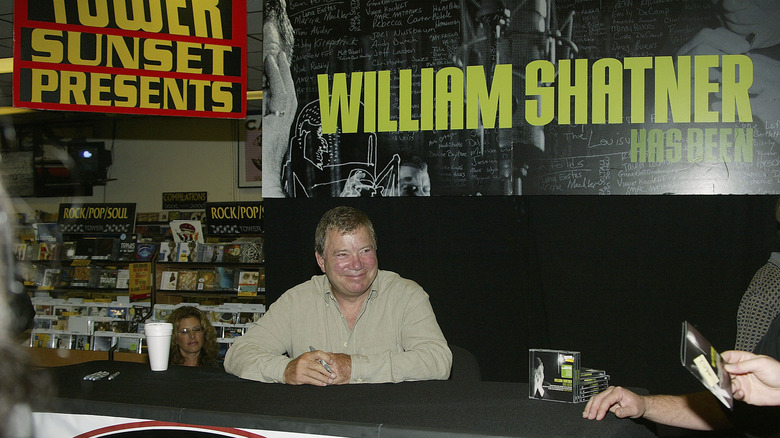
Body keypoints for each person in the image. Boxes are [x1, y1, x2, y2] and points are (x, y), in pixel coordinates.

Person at [224, 206, 452, 385]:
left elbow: (438, 361)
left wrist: (354, 368)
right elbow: (238, 354)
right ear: (321, 261)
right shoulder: (296, 301)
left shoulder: (407, 296)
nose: (357, 264)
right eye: (343, 254)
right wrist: (285, 370)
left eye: (365, 251)